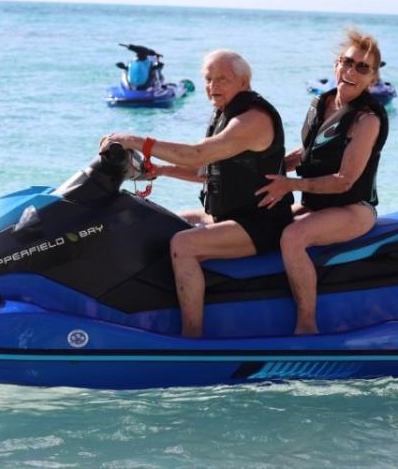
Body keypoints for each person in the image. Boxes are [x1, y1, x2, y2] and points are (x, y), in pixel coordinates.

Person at [102, 50, 293, 337]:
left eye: (222, 79)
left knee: (184, 245)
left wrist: (137, 141)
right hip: (229, 215)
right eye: (208, 79)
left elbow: (197, 154)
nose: (213, 86)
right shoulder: (226, 114)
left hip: (260, 223)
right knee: (158, 221)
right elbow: (206, 171)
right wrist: (161, 171)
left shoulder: (252, 120)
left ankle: (192, 334)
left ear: (244, 81)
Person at [255, 29, 389, 335]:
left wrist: (289, 186)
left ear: (373, 79)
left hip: (354, 209)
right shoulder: (323, 103)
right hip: (317, 204)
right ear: (336, 64)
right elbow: (311, 152)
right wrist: (272, 166)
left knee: (292, 237)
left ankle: (307, 324)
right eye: (347, 62)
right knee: (262, 220)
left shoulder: (366, 120)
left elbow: (344, 181)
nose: (351, 71)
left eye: (362, 68)